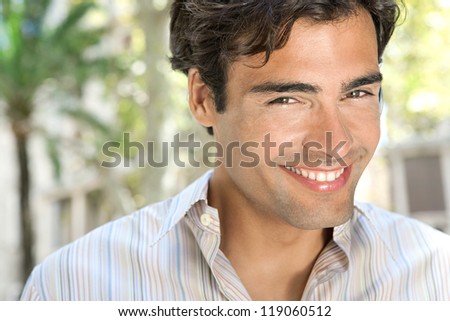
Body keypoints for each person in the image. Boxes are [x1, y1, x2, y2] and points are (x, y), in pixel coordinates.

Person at [21, 0, 450, 301]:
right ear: (204, 99)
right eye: (288, 99)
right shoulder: (75, 287)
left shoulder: (436, 277)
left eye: (357, 93)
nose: (335, 140)